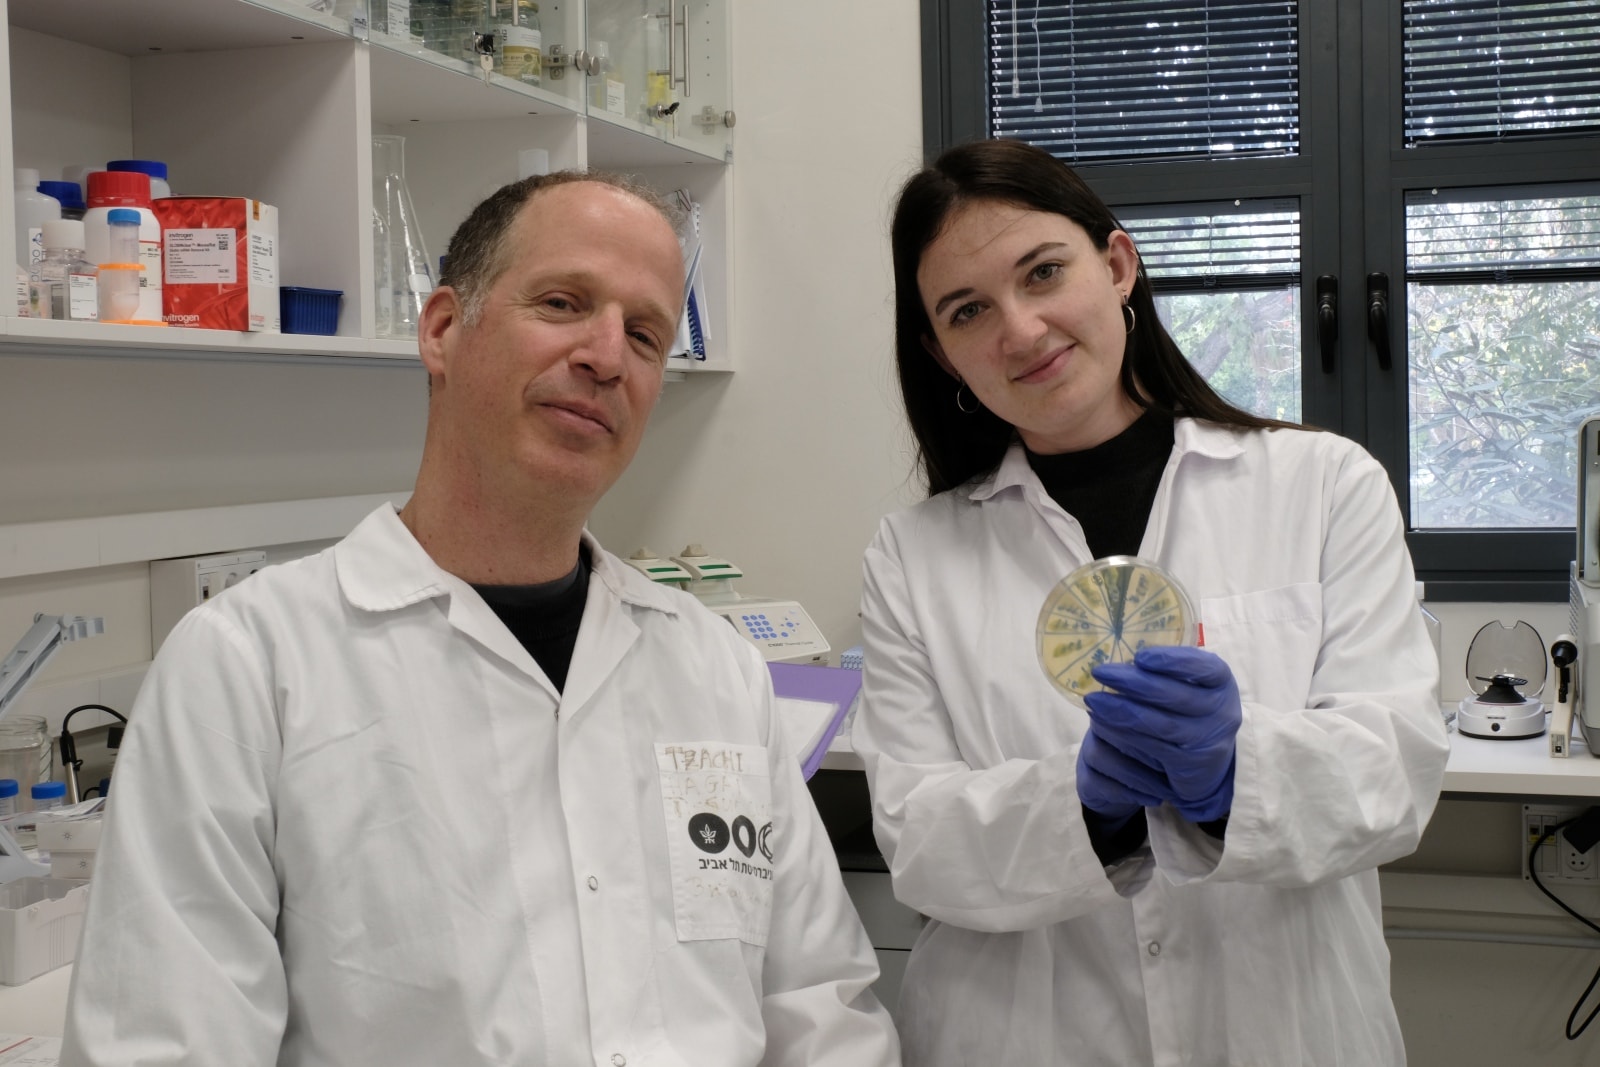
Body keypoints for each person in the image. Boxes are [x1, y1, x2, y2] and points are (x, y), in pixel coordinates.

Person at [62, 172, 900, 1067]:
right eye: (563, 302)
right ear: (443, 330)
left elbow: (820, 1008)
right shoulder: (246, 667)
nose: (607, 355)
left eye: (646, 334)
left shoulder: (714, 669)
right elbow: (165, 1045)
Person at [851, 138, 1449, 1065]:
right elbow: (919, 841)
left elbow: (1396, 772)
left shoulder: (1322, 484)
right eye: (969, 310)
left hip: (1285, 1028)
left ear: (1118, 265)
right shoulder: (913, 554)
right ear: (942, 352)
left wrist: (1232, 771)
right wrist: (1082, 806)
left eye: (1043, 272)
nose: (1020, 328)